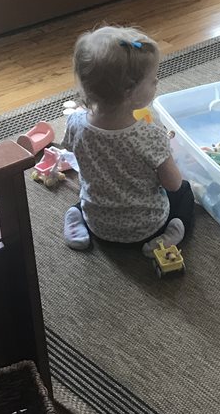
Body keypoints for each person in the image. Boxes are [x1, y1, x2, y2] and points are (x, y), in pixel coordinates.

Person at [61, 26, 194, 254]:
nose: (157, 81)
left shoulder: (75, 123)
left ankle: (76, 217)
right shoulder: (150, 135)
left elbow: (78, 156)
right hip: (147, 228)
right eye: (152, 80)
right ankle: (172, 233)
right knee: (184, 192)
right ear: (129, 92)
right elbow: (172, 184)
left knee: (94, 190)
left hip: (98, 224)